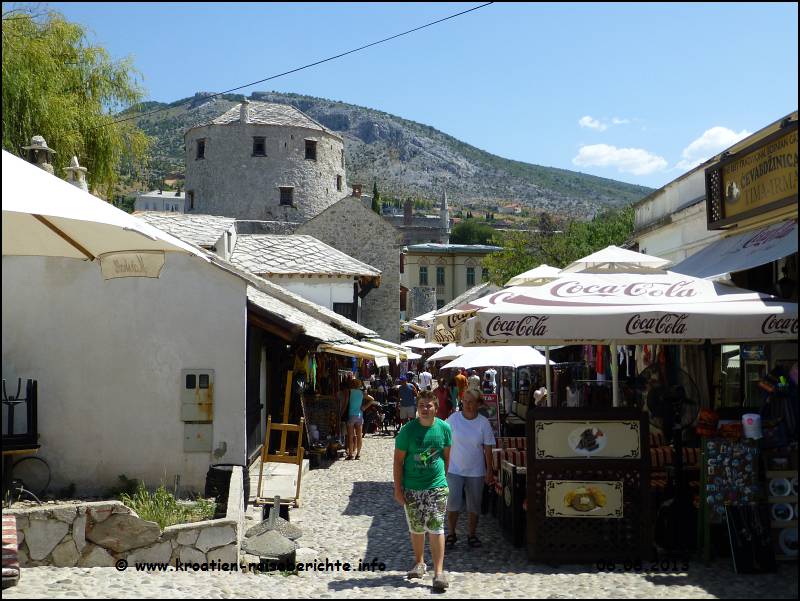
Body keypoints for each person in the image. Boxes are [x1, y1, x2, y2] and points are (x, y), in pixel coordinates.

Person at [393, 390, 452, 591]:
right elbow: (398, 461)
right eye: (421, 406)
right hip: (412, 487)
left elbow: (446, 457)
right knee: (417, 528)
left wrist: (442, 481)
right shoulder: (407, 431)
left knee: (436, 527)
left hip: (436, 487)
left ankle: (438, 573)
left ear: (436, 407)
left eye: (429, 405)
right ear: (417, 408)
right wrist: (398, 489)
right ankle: (419, 562)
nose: (425, 409)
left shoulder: (444, 428)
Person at [445, 389, 495, 549]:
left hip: (476, 471)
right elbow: (444, 442)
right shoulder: (453, 419)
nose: (467, 405)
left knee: (474, 505)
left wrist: (490, 470)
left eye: (471, 402)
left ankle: (472, 535)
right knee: (453, 504)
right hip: (454, 469)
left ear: (478, 404)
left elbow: (488, 448)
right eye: (464, 401)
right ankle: (451, 533)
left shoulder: (483, 423)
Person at [346, 379, 373, 460]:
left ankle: (350, 454)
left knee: (350, 436)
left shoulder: (349, 392)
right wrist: (364, 407)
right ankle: (358, 454)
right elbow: (372, 399)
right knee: (359, 436)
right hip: (359, 416)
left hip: (351, 416)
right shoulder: (362, 393)